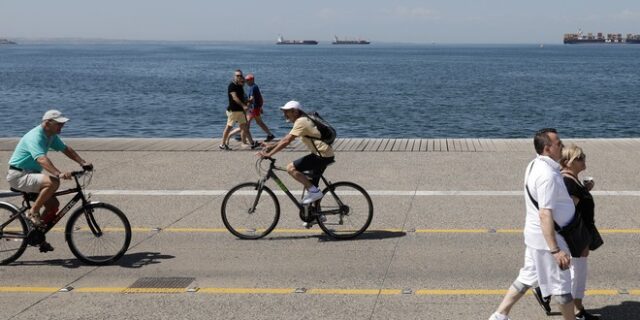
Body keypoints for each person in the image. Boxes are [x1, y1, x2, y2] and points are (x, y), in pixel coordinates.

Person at [489, 128, 576, 320]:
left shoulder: (533, 165)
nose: (562, 146)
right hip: (551, 240)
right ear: (547, 148)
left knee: (528, 276)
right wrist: (555, 250)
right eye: (558, 143)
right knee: (562, 287)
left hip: (535, 237)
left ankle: (499, 315)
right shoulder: (548, 176)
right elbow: (545, 213)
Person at [531, 144, 602, 320]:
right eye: (579, 157)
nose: (584, 158)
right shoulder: (568, 182)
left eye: (583, 155)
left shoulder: (572, 180)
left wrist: (585, 190)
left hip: (580, 233)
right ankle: (577, 310)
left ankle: (546, 291)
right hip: (575, 235)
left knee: (574, 271)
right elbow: (566, 211)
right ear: (567, 162)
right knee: (577, 272)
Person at [6, 110, 91, 252]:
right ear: (47, 123)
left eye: (62, 124)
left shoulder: (50, 135)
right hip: (18, 175)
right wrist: (58, 173)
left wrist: (83, 163)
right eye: (58, 124)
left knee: (53, 206)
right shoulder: (35, 136)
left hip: (30, 175)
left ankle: (37, 236)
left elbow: (66, 149)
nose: (61, 127)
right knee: (53, 182)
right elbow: (41, 159)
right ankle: (33, 212)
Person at [257, 100, 334, 206]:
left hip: (322, 155)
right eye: (284, 112)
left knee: (291, 168)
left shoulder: (301, 122)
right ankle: (316, 216)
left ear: (295, 112)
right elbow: (286, 138)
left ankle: (314, 193)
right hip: (324, 154)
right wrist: (271, 147)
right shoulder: (304, 119)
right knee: (311, 186)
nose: (284, 114)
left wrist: (269, 154)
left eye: (287, 111)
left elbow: (286, 141)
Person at [219, 69, 259, 150]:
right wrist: (243, 106)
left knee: (245, 127)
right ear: (234, 76)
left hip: (240, 111)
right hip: (233, 110)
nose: (239, 77)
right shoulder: (232, 85)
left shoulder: (240, 86)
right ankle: (222, 144)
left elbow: (241, 98)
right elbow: (235, 98)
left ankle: (252, 143)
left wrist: (248, 101)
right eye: (237, 75)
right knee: (229, 127)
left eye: (240, 75)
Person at [229, 74, 275, 143]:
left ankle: (237, 136)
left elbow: (252, 99)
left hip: (253, 109)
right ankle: (270, 135)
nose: (246, 82)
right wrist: (260, 107)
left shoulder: (253, 88)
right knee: (259, 122)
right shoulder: (254, 87)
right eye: (245, 80)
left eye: (247, 80)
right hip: (256, 108)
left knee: (245, 124)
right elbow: (259, 98)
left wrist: (247, 107)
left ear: (252, 80)